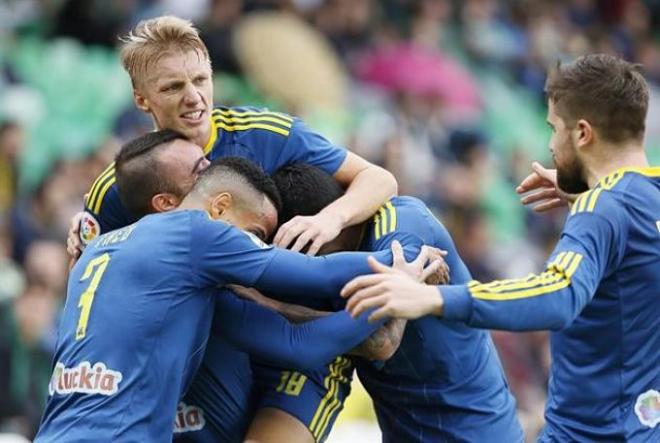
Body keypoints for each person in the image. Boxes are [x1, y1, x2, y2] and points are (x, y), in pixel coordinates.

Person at [36, 131, 436, 442]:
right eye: (255, 234)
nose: (256, 248)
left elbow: (297, 344)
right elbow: (321, 276)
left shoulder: (96, 254)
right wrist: (400, 267)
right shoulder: (194, 232)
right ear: (219, 206)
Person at [342, 54, 660, 442]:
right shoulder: (645, 198)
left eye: (553, 128)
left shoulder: (604, 208)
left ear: (581, 134)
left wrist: (435, 298)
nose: (549, 145)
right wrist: (593, 198)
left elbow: (559, 293)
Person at [236, 164, 521, 443]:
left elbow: (382, 342)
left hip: (475, 429)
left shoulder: (402, 226)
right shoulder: (324, 277)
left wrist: (270, 308)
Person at [69, 15, 396, 258]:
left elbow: (378, 179)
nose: (194, 96)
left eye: (200, 79)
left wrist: (329, 220)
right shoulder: (119, 186)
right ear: (141, 100)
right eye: (173, 87)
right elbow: (83, 274)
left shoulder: (265, 132)